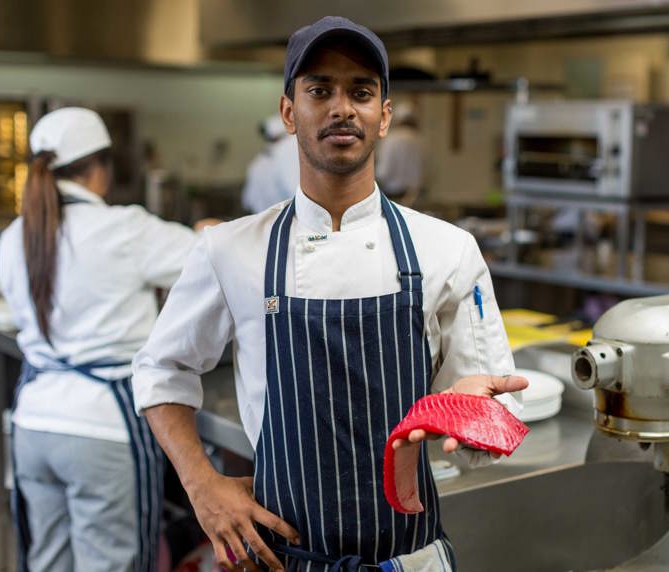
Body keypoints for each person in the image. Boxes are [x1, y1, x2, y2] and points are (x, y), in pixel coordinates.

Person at [133, 16, 526, 572]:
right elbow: (159, 371)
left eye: (361, 92)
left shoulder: (447, 250)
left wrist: (472, 417)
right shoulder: (229, 249)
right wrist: (202, 487)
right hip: (280, 558)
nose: (342, 107)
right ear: (290, 112)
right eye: (320, 90)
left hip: (408, 560)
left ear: (384, 116)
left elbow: (492, 420)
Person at [0, 107, 199, 572]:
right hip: (101, 432)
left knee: (46, 562)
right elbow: (209, 261)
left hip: (32, 425)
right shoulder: (125, 229)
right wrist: (209, 234)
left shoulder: (12, 238)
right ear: (100, 169)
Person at [242, 116, 300, 213]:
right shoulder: (289, 148)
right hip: (289, 217)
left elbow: (248, 201)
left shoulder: (257, 163)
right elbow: (296, 191)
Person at [375, 101, 424, 205]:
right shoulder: (421, 140)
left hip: (393, 196)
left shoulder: (392, 138)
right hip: (416, 197)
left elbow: (383, 172)